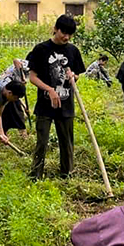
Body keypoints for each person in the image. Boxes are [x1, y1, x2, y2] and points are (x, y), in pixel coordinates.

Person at [26, 14, 86, 179]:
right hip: (45, 105)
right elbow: (32, 77)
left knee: (67, 143)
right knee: (42, 142)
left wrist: (73, 76)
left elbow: (77, 74)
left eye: (69, 34)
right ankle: (36, 175)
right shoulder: (41, 49)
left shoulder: (73, 51)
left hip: (66, 105)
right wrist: (50, 90)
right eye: (63, 32)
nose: (66, 37)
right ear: (55, 29)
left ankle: (66, 174)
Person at [0, 59, 30, 138]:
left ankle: (22, 134)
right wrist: (21, 75)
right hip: (5, 86)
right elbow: (15, 60)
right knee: (10, 111)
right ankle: (5, 134)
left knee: (17, 108)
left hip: (13, 89)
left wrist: (25, 107)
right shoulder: (29, 64)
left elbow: (18, 95)